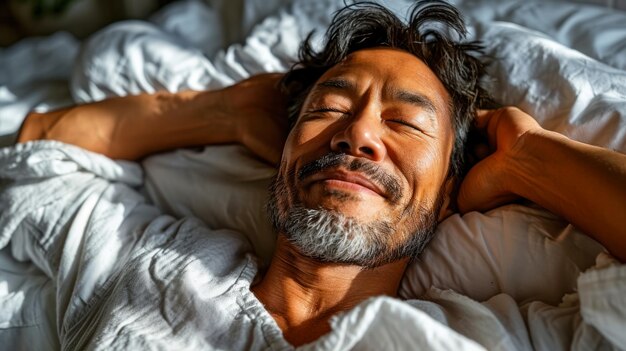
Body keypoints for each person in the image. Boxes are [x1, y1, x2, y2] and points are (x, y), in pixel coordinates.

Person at [4, 0, 625, 349]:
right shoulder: (154, 266)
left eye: (406, 124)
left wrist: (532, 158)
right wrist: (220, 110)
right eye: (329, 108)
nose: (357, 133)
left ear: (445, 199)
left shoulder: (493, 340)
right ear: (282, 158)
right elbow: (39, 155)